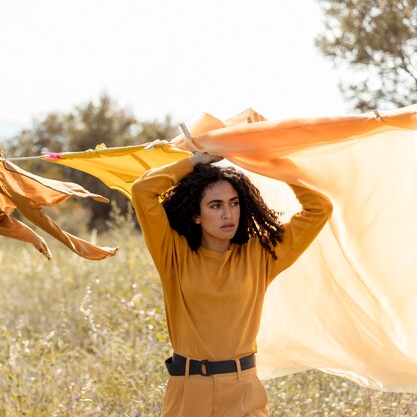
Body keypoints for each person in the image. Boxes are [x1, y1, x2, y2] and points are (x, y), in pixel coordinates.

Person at [130, 152, 333, 417]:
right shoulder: (173, 254)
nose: (228, 214)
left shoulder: (261, 255)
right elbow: (142, 191)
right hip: (188, 393)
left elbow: (320, 208)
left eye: (234, 203)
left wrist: (275, 161)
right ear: (196, 215)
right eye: (215, 205)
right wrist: (194, 161)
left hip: (243, 394)